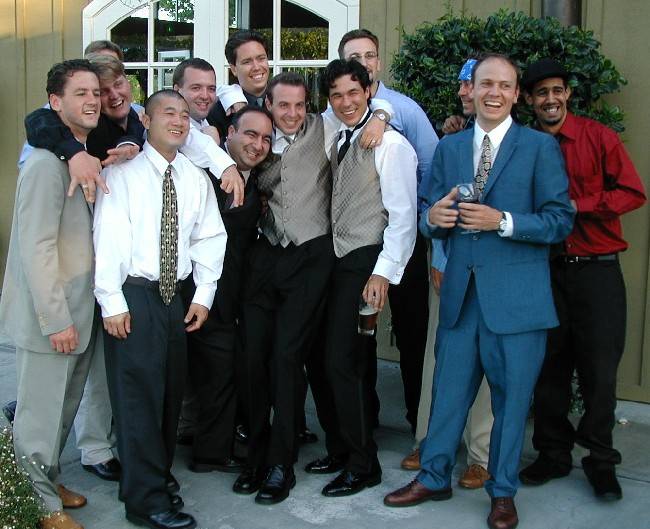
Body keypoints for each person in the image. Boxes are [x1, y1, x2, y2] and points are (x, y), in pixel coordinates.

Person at [383, 53, 574, 529]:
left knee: (511, 403)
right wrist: (433, 219)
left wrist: (502, 221)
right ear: (472, 89)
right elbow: (430, 214)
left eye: (504, 85)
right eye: (486, 83)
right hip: (461, 298)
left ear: (516, 94)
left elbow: (559, 220)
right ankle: (433, 476)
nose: (494, 93)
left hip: (518, 302)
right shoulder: (450, 148)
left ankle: (502, 491)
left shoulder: (538, 148)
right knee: (447, 395)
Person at [231, 72, 389, 504]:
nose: (292, 113)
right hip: (266, 254)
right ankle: (255, 456)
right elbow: (209, 140)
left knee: (286, 358)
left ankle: (280, 464)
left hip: (311, 258)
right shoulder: (257, 136)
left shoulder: (325, 127)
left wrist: (382, 116)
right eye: (283, 105)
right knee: (252, 358)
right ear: (268, 104)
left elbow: (365, 107)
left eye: (300, 105)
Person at [93, 89, 227, 529]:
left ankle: (153, 476)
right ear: (146, 121)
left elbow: (209, 237)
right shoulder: (123, 175)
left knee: (169, 396)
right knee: (138, 400)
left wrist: (203, 295)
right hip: (134, 296)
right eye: (168, 112)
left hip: (176, 298)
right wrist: (112, 302)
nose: (178, 120)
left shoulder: (193, 177)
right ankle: (145, 502)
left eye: (185, 114)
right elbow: (108, 237)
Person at [519, 58, 647, 500]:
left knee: (599, 371)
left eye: (557, 90)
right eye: (541, 93)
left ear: (568, 94)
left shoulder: (599, 137)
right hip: (547, 271)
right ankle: (553, 454)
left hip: (597, 271)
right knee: (549, 369)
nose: (550, 99)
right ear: (529, 99)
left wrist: (579, 205)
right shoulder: (525, 145)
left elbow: (632, 192)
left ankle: (601, 460)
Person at [0, 59, 102, 529]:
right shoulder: (44, 165)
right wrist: (56, 319)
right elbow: (35, 248)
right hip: (52, 318)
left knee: (62, 411)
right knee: (39, 418)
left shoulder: (79, 156)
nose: (92, 100)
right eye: (80, 93)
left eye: (95, 92)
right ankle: (38, 505)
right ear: (55, 102)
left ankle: (46, 481)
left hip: (79, 312)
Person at [316, 59, 417, 498]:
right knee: (327, 360)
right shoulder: (336, 134)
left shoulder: (392, 146)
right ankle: (340, 449)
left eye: (353, 93)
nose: (346, 102)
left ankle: (363, 464)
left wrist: (383, 274)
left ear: (369, 91)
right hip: (334, 261)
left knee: (347, 363)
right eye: (337, 95)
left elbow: (403, 217)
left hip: (366, 262)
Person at [338, 28, 436, 434]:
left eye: (368, 55)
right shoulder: (340, 110)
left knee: (412, 332)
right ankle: (368, 419)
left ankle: (419, 419)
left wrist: (420, 223)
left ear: (378, 62)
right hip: (361, 245)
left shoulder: (405, 110)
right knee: (362, 332)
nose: (363, 62)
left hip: (404, 238)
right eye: (354, 57)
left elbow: (429, 166)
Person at [402, 59, 494, 492]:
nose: (462, 93)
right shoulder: (451, 144)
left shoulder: (518, 145)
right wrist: (439, 257)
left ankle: (481, 455)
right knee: (438, 355)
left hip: (496, 270)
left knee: (488, 362)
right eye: (462, 85)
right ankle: (429, 440)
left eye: (468, 84)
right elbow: (431, 204)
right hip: (452, 265)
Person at [208, 29, 270, 138]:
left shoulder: (284, 102)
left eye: (261, 59)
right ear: (234, 69)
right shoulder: (220, 112)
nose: (256, 67)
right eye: (247, 62)